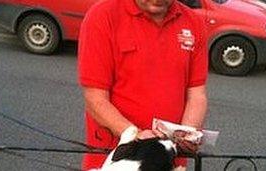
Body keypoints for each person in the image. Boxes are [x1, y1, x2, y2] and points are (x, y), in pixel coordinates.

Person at [78, 0, 208, 170]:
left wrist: (187, 133)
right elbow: (94, 98)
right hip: (115, 160)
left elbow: (197, 95)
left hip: (167, 161)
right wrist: (135, 135)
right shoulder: (103, 16)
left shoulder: (194, 22)